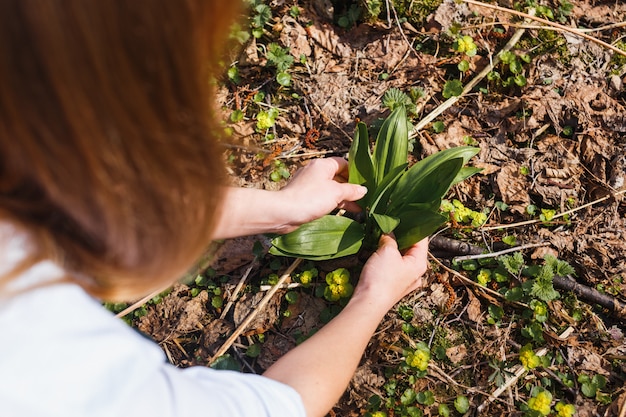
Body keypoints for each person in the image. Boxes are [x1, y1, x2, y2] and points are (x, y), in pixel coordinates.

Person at [0, 1, 429, 417]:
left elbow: (63, 209)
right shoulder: (56, 376)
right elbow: (282, 405)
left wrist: (280, 208)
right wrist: (374, 299)